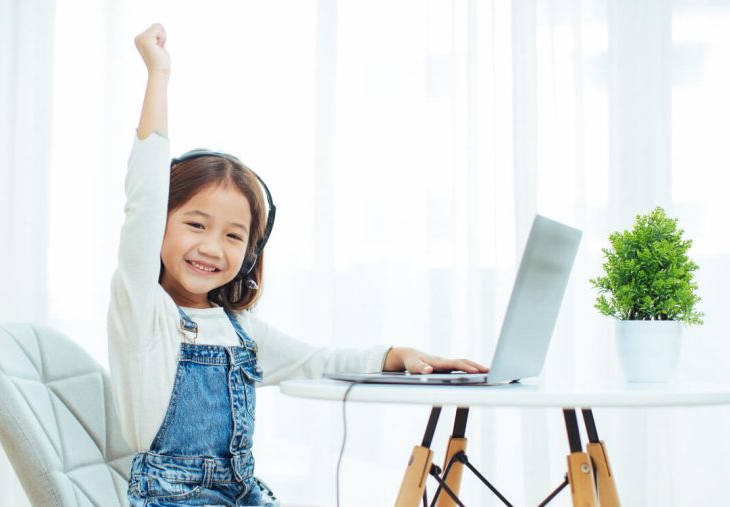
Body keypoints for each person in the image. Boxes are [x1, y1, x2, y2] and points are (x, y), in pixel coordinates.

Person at [108, 23, 487, 506]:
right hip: (171, 497)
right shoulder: (143, 310)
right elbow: (144, 196)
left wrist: (397, 355)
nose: (212, 247)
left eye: (233, 235)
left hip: (243, 492)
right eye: (196, 225)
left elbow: (317, 362)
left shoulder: (241, 329)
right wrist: (158, 75)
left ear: (251, 252)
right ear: (158, 225)